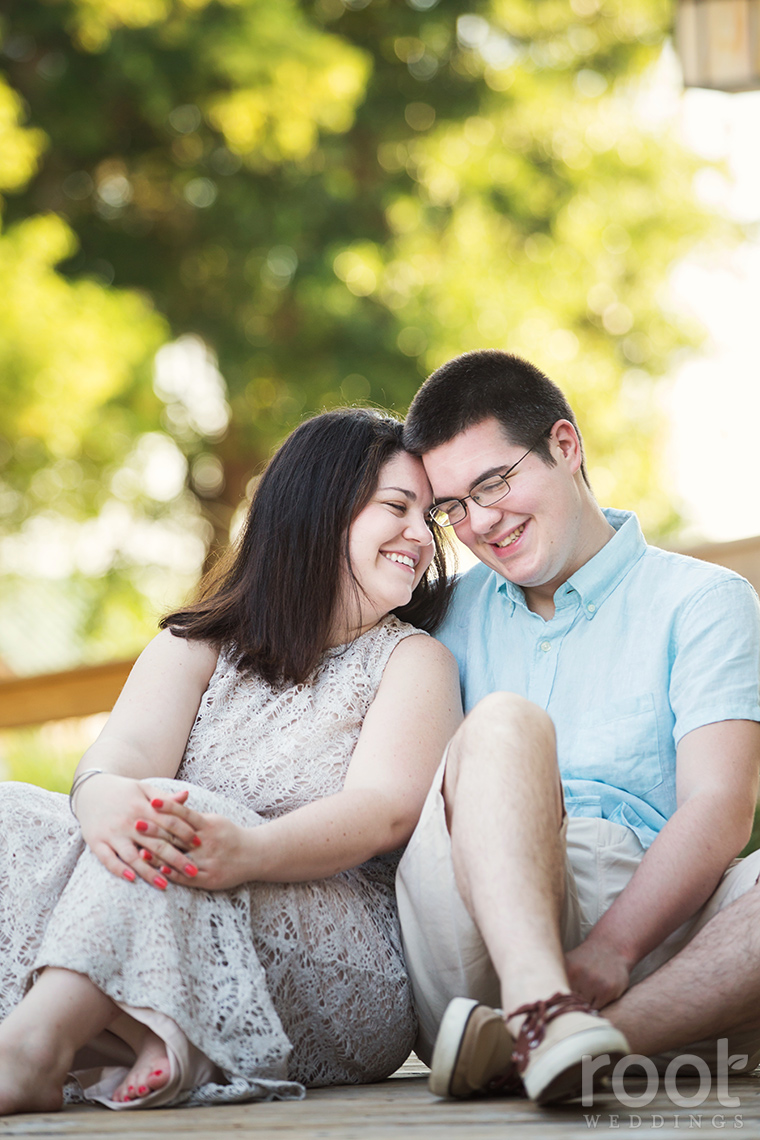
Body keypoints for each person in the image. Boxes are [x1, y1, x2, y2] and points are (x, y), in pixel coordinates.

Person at [0, 407, 461, 1115]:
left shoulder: (411, 661)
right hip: (178, 880)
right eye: (397, 507)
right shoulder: (199, 645)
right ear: (318, 509)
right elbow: (117, 758)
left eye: (428, 517)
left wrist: (248, 849)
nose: (418, 536)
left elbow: (385, 810)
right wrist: (100, 800)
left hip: (342, 955)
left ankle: (29, 1053)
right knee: (15, 811)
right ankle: (148, 1035)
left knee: (179, 812)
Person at [395, 349, 760, 1107]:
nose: (480, 522)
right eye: (453, 506)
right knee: (504, 724)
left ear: (566, 446)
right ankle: (542, 1009)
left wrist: (610, 950)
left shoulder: (703, 600)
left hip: (658, 944)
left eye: (493, 483)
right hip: (476, 942)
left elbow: (722, 805)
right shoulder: (437, 619)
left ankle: (568, 1042)